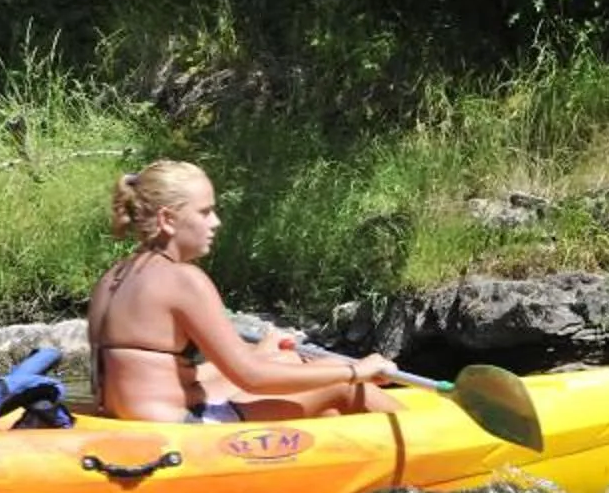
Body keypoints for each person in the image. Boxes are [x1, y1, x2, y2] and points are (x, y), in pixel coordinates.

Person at [85, 160, 404, 423]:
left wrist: (259, 353)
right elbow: (251, 378)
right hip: (179, 430)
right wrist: (355, 371)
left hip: (130, 416)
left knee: (283, 358)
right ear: (168, 219)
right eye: (205, 212)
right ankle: (424, 439)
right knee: (347, 389)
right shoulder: (184, 280)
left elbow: (163, 372)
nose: (216, 222)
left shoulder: (112, 277)